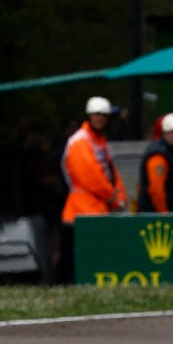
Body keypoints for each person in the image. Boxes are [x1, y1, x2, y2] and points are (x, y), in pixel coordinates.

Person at [58, 97, 128, 282]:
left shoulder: (100, 141)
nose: (101, 118)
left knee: (94, 262)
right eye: (97, 114)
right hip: (80, 212)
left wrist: (120, 194)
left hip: (98, 210)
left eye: (104, 115)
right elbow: (90, 176)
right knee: (75, 264)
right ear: (89, 115)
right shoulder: (80, 141)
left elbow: (111, 171)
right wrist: (114, 196)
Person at [138, 113, 173, 213]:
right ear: (165, 133)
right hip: (159, 221)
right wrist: (165, 216)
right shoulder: (158, 155)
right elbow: (156, 190)